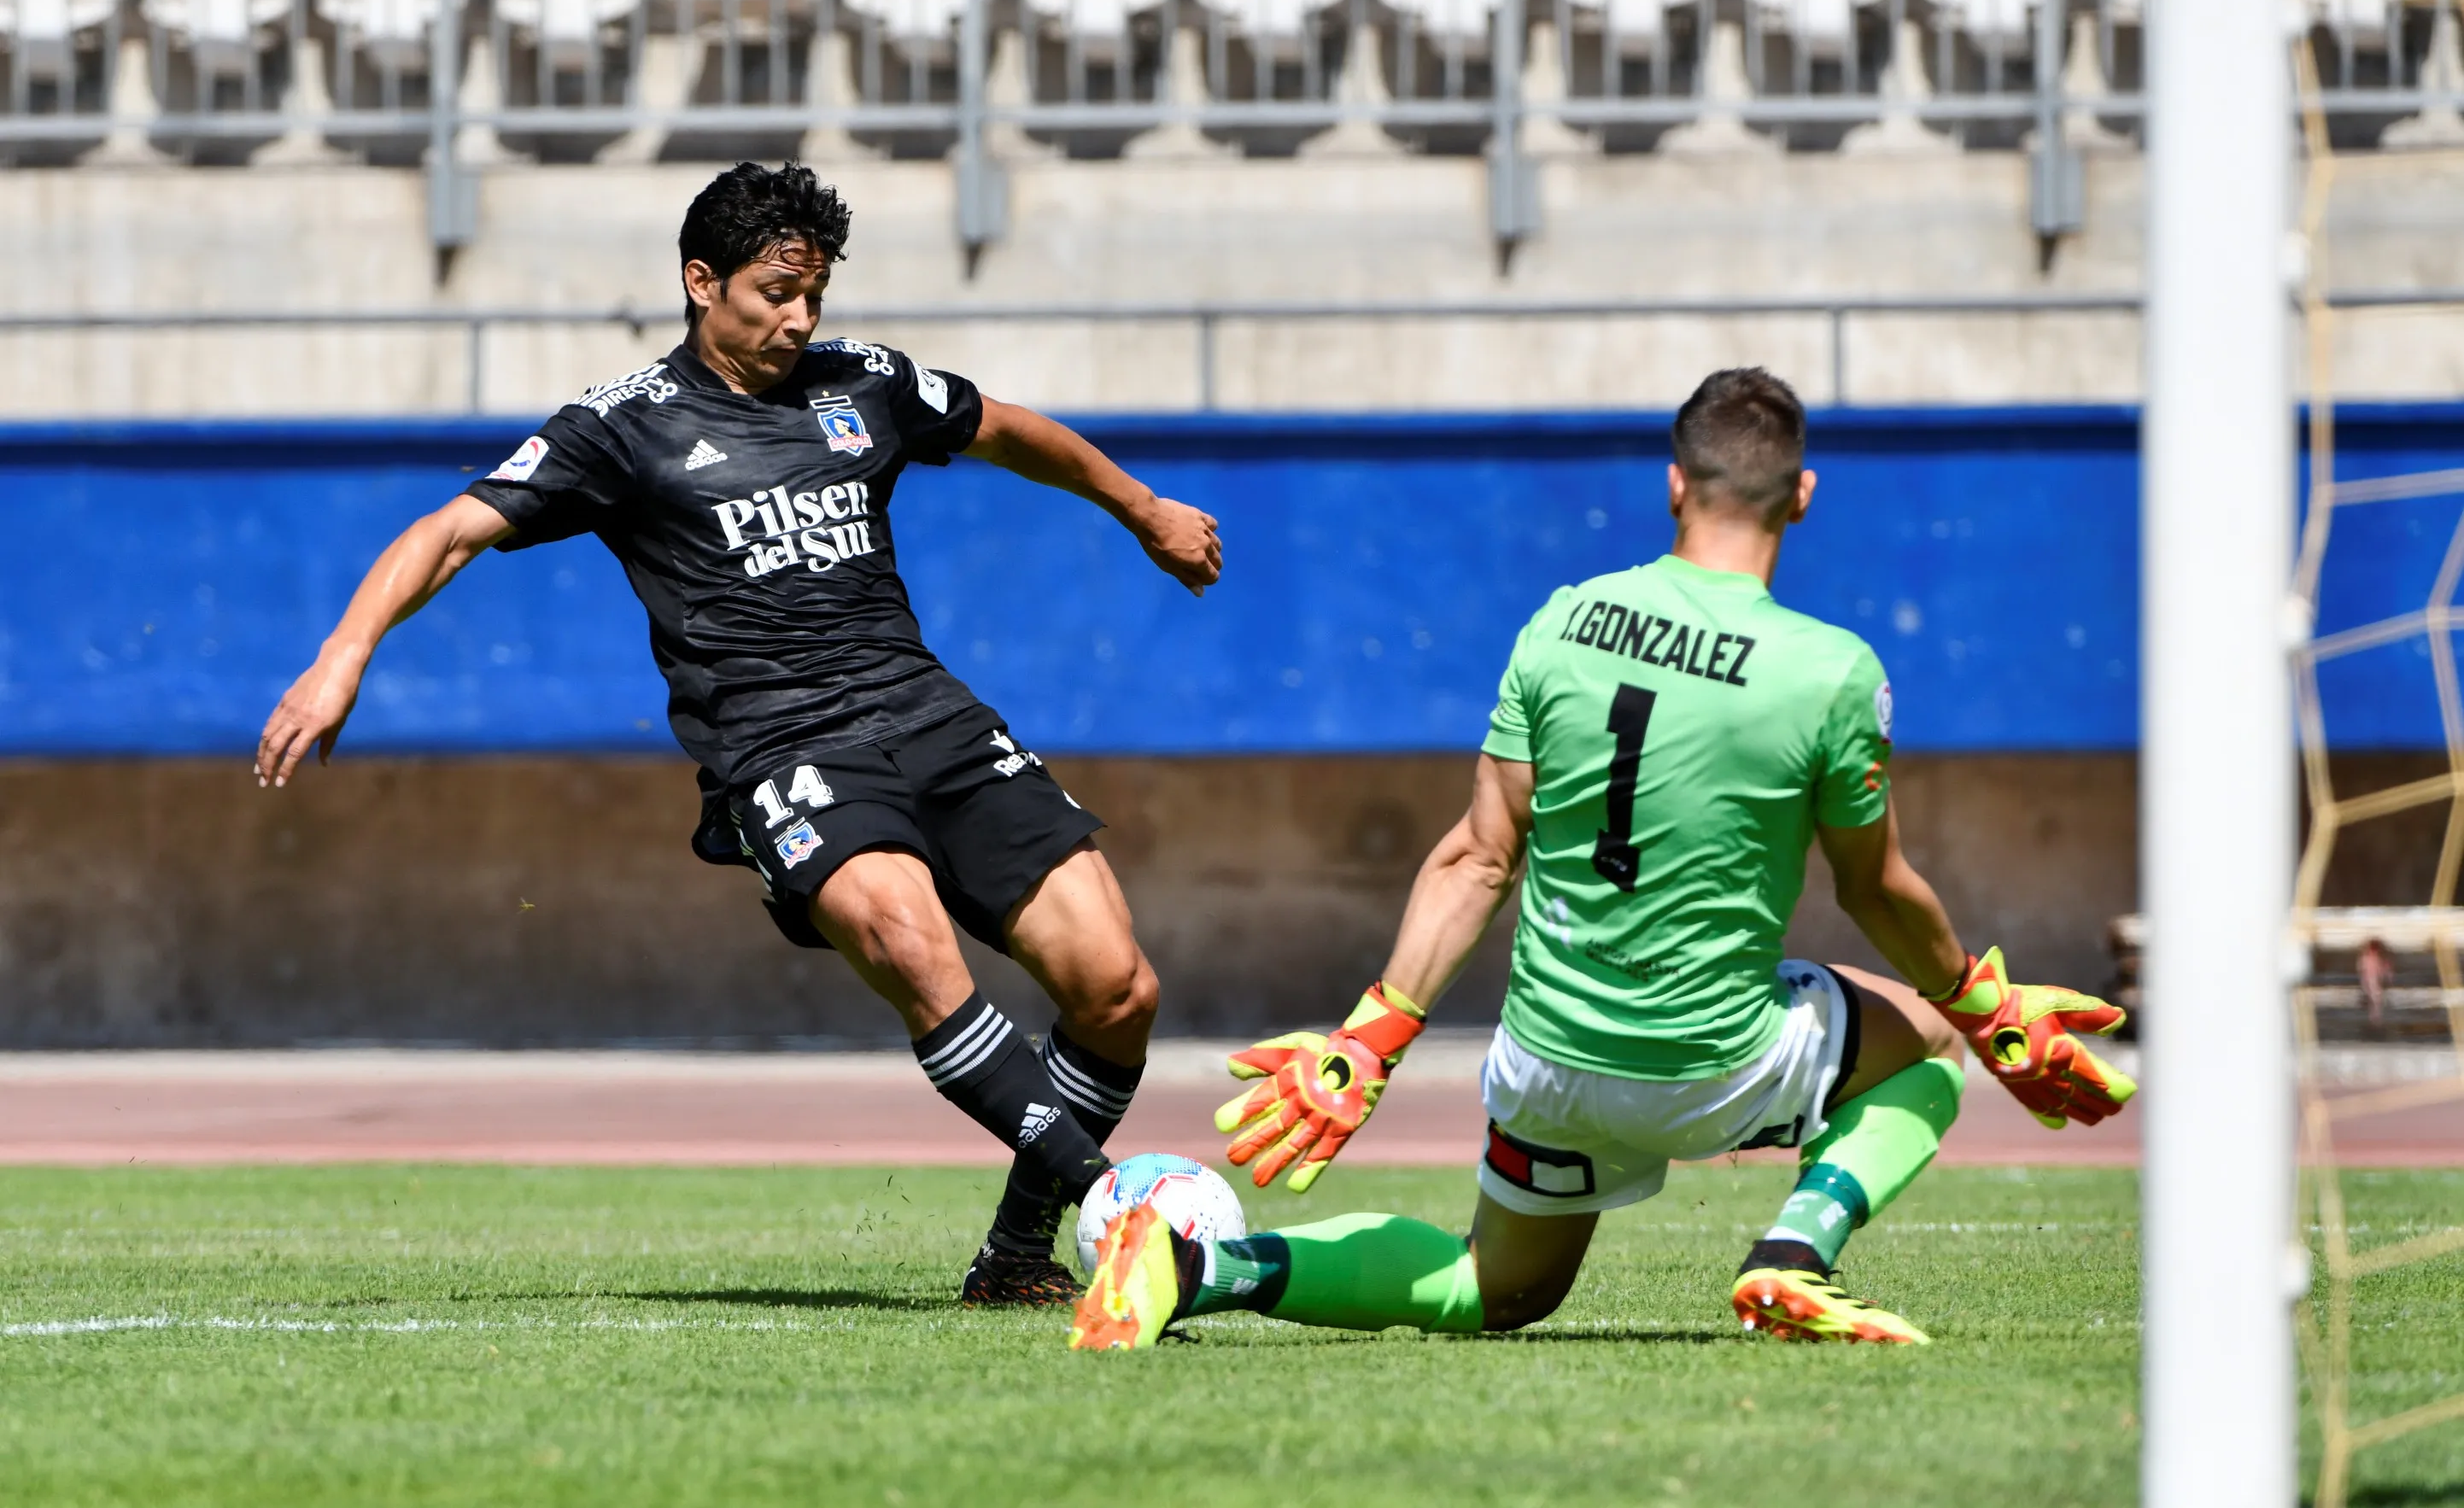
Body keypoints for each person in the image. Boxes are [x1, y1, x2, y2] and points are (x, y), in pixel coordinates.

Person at [256, 161, 1223, 1306]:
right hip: (783, 747)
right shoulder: (623, 427)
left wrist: (1143, 507)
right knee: (914, 945)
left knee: (1118, 988)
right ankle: (1119, 1205)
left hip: (928, 709)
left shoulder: (863, 383)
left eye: (812, 293)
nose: (798, 318)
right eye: (775, 292)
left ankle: (1018, 1255)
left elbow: (1009, 428)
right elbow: (448, 531)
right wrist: (342, 655)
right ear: (700, 281)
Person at [1068, 366, 2133, 1351]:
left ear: (1674, 484)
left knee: (1495, 1290)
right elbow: (1874, 888)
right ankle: (1793, 1254)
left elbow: (1478, 857)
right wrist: (1985, 1010)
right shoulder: (1831, 672)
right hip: (1712, 1065)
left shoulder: (1563, 623)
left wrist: (1370, 1037)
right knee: (1934, 1042)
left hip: (1546, 1068)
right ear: (1800, 495)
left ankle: (1191, 1263)